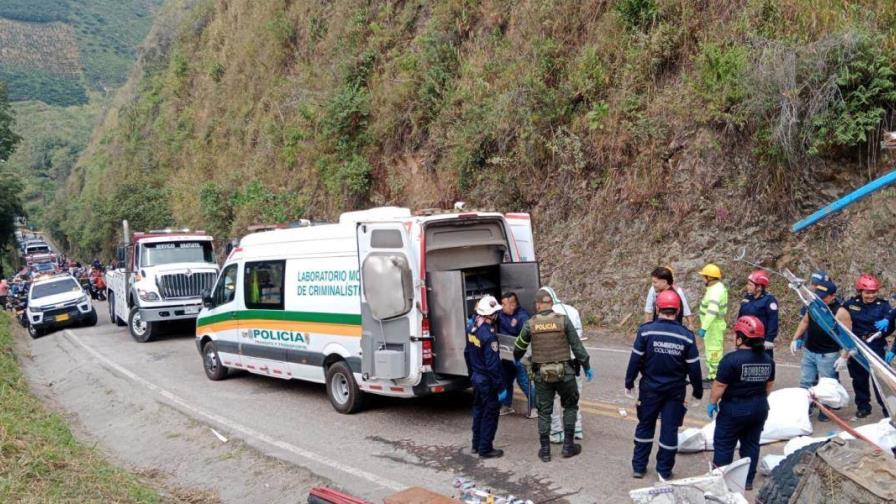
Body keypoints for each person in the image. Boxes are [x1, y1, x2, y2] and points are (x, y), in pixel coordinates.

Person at [625, 289, 703, 479]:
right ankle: (664, 470)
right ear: (677, 311)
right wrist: (697, 392)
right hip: (675, 392)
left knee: (645, 426)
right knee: (670, 429)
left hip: (650, 389)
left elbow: (635, 360)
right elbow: (694, 367)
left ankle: (639, 467)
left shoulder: (646, 331)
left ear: (657, 308)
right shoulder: (686, 336)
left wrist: (629, 383)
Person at [514, 288, 592, 462]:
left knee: (544, 412)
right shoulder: (563, 321)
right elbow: (577, 347)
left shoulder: (531, 323)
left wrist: (519, 359)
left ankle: (546, 451)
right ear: (551, 304)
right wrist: (586, 366)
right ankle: (568, 447)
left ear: (537, 305)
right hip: (565, 373)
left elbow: (518, 347)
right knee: (570, 406)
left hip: (542, 375)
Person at [708, 316, 775, 491]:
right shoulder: (768, 360)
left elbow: (720, 385)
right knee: (751, 445)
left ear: (741, 338)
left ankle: (721, 480)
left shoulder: (731, 360)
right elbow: (769, 385)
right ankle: (747, 480)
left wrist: (712, 402)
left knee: (724, 444)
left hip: (734, 409)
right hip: (759, 407)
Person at [789, 279, 851, 421]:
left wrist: (844, 356)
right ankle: (805, 408)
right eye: (818, 296)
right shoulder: (813, 305)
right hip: (810, 350)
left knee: (827, 384)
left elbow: (848, 336)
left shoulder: (840, 312)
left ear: (832, 296)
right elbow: (805, 322)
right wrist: (795, 338)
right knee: (806, 382)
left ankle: (825, 411)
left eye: (823, 297)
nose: (820, 299)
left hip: (828, 354)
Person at [843, 275, 893, 418]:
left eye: (874, 292)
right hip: (857, 345)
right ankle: (863, 406)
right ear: (860, 291)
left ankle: (887, 409)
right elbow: (840, 318)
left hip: (875, 345)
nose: (871, 295)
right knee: (858, 378)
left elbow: (891, 324)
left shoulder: (883, 306)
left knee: (880, 379)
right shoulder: (851, 304)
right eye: (867, 292)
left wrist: (885, 327)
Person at [464, 295, 506, 459]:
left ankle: (476, 444)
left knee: (479, 411)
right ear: (490, 315)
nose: (497, 315)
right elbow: (493, 365)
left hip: (477, 377)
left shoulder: (471, 328)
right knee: (490, 413)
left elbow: (466, 353)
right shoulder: (489, 336)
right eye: (495, 312)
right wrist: (501, 386)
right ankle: (485, 448)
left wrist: (471, 374)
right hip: (487, 381)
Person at [496, 292, 532, 416]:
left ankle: (535, 407)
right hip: (506, 353)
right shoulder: (501, 314)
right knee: (505, 379)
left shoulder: (522, 317)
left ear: (513, 305)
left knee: (523, 381)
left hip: (519, 354)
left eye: (504, 304)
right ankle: (507, 405)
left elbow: (526, 338)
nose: (502, 306)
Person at [697, 264, 728, 388]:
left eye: (703, 276)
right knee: (711, 351)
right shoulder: (715, 288)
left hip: (713, 326)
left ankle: (715, 378)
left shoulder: (716, 291)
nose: (702, 279)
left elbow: (712, 311)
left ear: (709, 277)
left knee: (714, 352)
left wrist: (704, 328)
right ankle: (712, 375)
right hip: (713, 326)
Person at [737, 270, 779, 359]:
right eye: (748, 284)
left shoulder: (769, 300)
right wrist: (738, 334)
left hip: (761, 341)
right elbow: (740, 317)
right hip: (745, 339)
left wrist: (769, 339)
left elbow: (773, 320)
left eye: (750, 285)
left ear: (759, 287)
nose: (747, 287)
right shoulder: (747, 297)